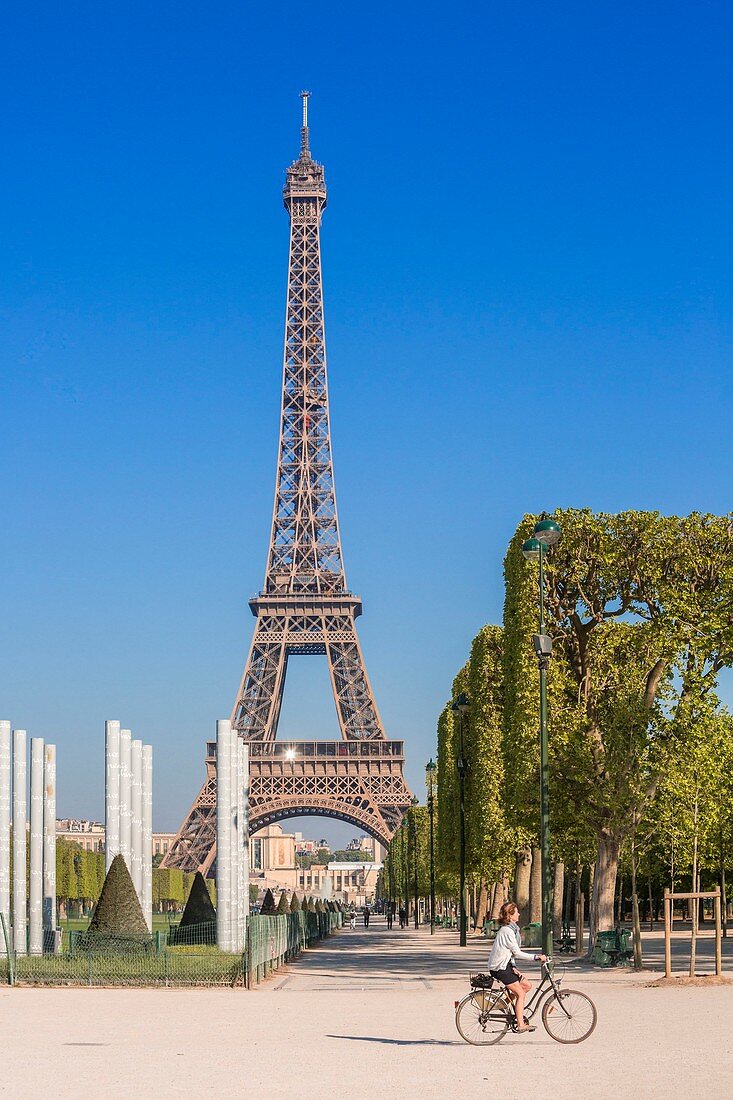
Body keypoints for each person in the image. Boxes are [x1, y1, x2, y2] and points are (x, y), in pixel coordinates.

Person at [487, 901, 547, 1033]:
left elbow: (509, 952)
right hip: (500, 968)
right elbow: (517, 953)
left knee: (527, 986)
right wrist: (537, 957)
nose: (519, 914)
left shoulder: (512, 929)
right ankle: (520, 1024)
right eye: (516, 912)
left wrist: (513, 966)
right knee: (520, 993)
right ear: (510, 915)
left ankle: (504, 1004)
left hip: (505, 965)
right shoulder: (507, 931)